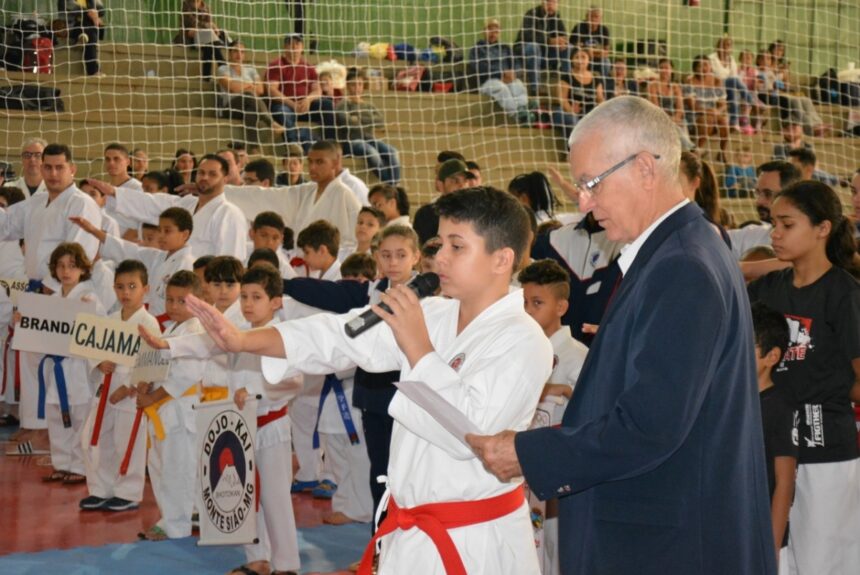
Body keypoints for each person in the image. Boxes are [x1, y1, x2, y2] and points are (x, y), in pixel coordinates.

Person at [468, 96, 777, 575]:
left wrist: (527, 452)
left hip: (666, 545)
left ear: (646, 169)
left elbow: (649, 427)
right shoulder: (683, 250)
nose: (585, 204)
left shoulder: (682, 267)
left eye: (592, 184)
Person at [182, 186, 552, 575]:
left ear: (502, 259)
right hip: (409, 532)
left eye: (457, 247)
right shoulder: (436, 314)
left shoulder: (524, 340)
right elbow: (339, 336)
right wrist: (243, 339)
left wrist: (418, 348)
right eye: (438, 243)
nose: (439, 257)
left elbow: (478, 435)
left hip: (475, 540)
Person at [146, 265, 303, 574]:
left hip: (271, 425)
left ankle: (286, 564)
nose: (247, 303)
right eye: (244, 296)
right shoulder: (238, 331)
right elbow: (205, 343)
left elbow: (295, 381)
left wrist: (256, 390)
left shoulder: (284, 335)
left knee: (275, 498)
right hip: (240, 425)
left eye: (256, 297)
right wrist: (168, 344)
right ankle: (257, 559)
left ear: (276, 301)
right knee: (246, 497)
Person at [747, 181, 860, 574]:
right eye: (773, 223)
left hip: (825, 451)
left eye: (787, 224)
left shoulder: (843, 294)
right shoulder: (769, 289)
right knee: (780, 560)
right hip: (772, 449)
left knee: (823, 563)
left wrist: (832, 383)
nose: (775, 233)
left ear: (822, 228)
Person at [0, 144, 102, 456]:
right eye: (49, 167)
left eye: (60, 167)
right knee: (32, 359)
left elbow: (78, 252)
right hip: (35, 292)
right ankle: (34, 425)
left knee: (59, 363)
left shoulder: (80, 203)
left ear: (72, 169)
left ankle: (58, 435)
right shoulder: (36, 202)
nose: (54, 173)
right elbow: (5, 225)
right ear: (41, 169)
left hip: (63, 292)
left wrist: (50, 286)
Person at [517, 258, 588, 575]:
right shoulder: (513, 348)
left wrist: (553, 389)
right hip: (517, 464)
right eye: (524, 302)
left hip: (556, 468)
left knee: (554, 549)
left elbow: (586, 414)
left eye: (537, 303)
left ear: (561, 306)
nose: (528, 310)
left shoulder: (578, 355)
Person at [80, 259, 160, 512]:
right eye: (120, 287)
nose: (126, 293)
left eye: (132, 286)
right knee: (96, 439)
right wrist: (100, 364)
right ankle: (101, 489)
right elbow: (94, 352)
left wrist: (128, 387)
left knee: (128, 442)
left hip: (130, 392)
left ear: (145, 289)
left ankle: (128, 492)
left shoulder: (149, 323)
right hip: (106, 388)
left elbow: (150, 361)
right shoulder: (110, 318)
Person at [137, 270, 206, 541]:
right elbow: (156, 363)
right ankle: (180, 515)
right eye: (170, 300)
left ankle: (175, 526)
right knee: (161, 466)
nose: (174, 307)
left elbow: (185, 376)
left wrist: (152, 398)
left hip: (180, 410)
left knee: (178, 470)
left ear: (198, 301)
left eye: (182, 301)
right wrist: (144, 382)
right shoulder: (170, 329)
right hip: (163, 410)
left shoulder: (197, 331)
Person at [97, 154, 249, 261]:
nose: (204, 178)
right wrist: (114, 192)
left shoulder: (229, 214)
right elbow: (152, 203)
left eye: (212, 174)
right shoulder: (186, 204)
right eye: (201, 173)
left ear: (226, 178)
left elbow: (230, 262)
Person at [39, 242, 105, 485]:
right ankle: (62, 463)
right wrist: (25, 319)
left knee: (79, 416)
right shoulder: (51, 299)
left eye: (72, 266)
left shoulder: (90, 298)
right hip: (56, 366)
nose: (66, 271)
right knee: (56, 414)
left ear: (83, 269)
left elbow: (101, 334)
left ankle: (79, 466)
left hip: (79, 367)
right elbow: (39, 329)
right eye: (61, 266)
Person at [225, 141, 362, 256]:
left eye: (319, 162)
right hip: (301, 266)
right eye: (310, 161)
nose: (313, 167)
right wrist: (221, 191)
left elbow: (357, 243)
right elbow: (265, 197)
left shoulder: (345, 196)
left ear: (335, 163)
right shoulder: (304, 192)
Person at [71, 207, 195, 317]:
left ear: (184, 234)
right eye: (160, 230)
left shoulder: (186, 264)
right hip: (151, 318)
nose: (161, 235)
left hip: (169, 322)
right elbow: (126, 249)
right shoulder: (157, 256)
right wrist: (93, 230)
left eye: (167, 231)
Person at [750, 302, 797, 567]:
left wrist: (771, 547)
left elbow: (784, 482)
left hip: (761, 537)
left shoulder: (778, 406)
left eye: (746, 345)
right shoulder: (728, 397)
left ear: (771, 356)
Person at [266, 33, 338, 147]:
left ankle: (330, 144)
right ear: (285, 47)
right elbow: (272, 90)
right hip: (285, 105)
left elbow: (317, 91)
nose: (294, 47)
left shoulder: (308, 67)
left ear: (302, 47)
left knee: (327, 104)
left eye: (297, 43)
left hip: (305, 106)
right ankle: (293, 145)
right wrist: (292, 104)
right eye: (290, 43)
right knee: (282, 111)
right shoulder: (276, 65)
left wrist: (308, 100)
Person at [217, 41, 286, 154]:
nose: (239, 55)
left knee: (251, 111)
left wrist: (242, 86)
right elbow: (232, 87)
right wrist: (249, 86)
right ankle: (272, 123)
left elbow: (260, 90)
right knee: (249, 95)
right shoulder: (223, 69)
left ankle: (254, 149)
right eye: (235, 51)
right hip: (230, 108)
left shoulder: (251, 70)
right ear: (229, 53)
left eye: (242, 52)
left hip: (248, 105)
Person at [337, 67, 402, 185]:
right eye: (353, 85)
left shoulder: (368, 105)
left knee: (393, 151)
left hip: (369, 139)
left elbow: (380, 121)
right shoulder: (342, 104)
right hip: (351, 141)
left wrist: (358, 116)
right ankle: (390, 185)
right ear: (347, 86)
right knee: (372, 152)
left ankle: (393, 186)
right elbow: (351, 123)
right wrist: (366, 119)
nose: (357, 88)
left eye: (360, 84)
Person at [727, 160, 801, 260]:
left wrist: (746, 269)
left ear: (791, 195)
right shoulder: (752, 234)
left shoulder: (809, 240)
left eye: (768, 194)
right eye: (757, 193)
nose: (759, 201)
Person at [469, 18, 534, 125]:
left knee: (518, 84)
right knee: (501, 88)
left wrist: (514, 73)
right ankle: (517, 115)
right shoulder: (477, 49)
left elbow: (517, 65)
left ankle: (523, 108)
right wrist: (501, 74)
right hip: (487, 82)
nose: (493, 33)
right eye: (490, 29)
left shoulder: (505, 48)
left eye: (496, 30)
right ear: (484, 30)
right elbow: (480, 68)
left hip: (507, 79)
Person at [412, 158, 477, 245]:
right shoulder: (426, 215)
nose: (462, 186)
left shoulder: (476, 214)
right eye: (455, 181)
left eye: (465, 181)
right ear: (440, 185)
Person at [552, 46, 605, 148]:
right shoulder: (566, 77)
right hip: (565, 112)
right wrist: (571, 110)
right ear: (572, 60)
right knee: (573, 120)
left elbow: (600, 99)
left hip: (587, 113)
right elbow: (562, 100)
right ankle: (572, 152)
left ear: (589, 60)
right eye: (577, 57)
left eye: (583, 57)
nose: (580, 60)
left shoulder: (596, 79)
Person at [515, 0, 571, 95]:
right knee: (534, 46)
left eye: (554, 2)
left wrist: (562, 42)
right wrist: (549, 41)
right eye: (548, 2)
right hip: (526, 51)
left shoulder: (556, 17)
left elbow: (563, 36)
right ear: (542, 2)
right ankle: (535, 89)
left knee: (568, 48)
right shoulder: (531, 14)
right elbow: (528, 36)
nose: (551, 5)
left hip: (544, 54)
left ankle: (569, 85)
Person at [707, 36, 756, 133]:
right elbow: (709, 76)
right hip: (714, 86)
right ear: (719, 45)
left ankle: (734, 123)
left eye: (729, 45)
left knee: (734, 90)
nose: (727, 47)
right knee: (734, 81)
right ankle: (751, 101)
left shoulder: (731, 60)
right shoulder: (711, 58)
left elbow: (735, 79)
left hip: (726, 89)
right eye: (725, 44)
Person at [685, 55, 730, 162]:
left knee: (724, 122)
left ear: (710, 67)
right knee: (708, 120)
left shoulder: (717, 81)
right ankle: (697, 152)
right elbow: (692, 106)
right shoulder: (690, 81)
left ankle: (722, 152)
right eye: (700, 66)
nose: (704, 68)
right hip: (696, 114)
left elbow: (723, 104)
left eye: (706, 65)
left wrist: (718, 111)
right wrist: (710, 111)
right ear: (695, 68)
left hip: (713, 114)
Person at [646, 59, 693, 150]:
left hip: (674, 118)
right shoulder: (653, 85)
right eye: (661, 68)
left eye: (666, 68)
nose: (664, 70)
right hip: (658, 118)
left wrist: (675, 118)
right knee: (676, 127)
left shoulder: (675, 87)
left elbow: (680, 108)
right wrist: (669, 119)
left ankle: (687, 151)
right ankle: (691, 149)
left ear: (672, 70)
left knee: (682, 123)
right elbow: (655, 107)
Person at [180, 0, 225, 79]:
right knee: (210, 38)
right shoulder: (186, 5)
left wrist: (213, 28)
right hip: (190, 37)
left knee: (209, 45)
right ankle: (223, 65)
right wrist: (210, 26)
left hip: (205, 38)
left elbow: (209, 23)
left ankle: (206, 77)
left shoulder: (206, 7)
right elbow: (193, 23)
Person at [569, 6, 611, 79]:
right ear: (586, 17)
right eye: (591, 16)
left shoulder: (604, 30)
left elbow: (606, 51)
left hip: (598, 58)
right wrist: (587, 51)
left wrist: (595, 53)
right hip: (582, 57)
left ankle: (603, 84)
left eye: (596, 17)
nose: (593, 19)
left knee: (606, 62)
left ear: (600, 19)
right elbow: (575, 46)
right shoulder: (579, 27)